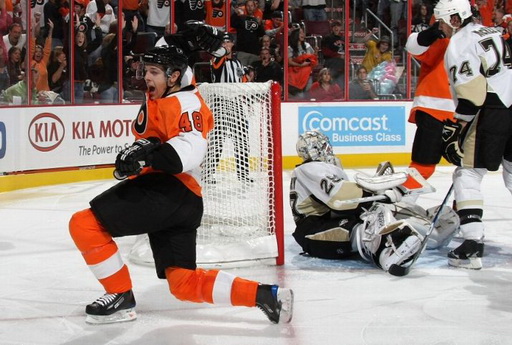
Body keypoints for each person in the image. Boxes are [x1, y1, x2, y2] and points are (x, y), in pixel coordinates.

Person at [68, 44, 293, 325]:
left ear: (173, 76)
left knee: (84, 224)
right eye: (145, 70)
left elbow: (185, 154)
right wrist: (138, 158)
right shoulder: (163, 97)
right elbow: (156, 142)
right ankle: (267, 296)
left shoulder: (186, 103)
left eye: (153, 72)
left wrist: (146, 153)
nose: (146, 77)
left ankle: (120, 296)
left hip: (170, 191)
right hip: (181, 200)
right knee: (183, 283)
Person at [289, 130, 459, 274]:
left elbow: (345, 204)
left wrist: (382, 194)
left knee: (378, 209)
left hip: (327, 223)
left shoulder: (322, 168)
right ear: (315, 149)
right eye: (324, 145)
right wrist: (381, 192)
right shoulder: (309, 168)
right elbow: (341, 198)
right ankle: (385, 252)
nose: (328, 148)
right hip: (312, 231)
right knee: (373, 217)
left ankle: (422, 226)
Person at [434, 0, 512, 269]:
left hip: (493, 109)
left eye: (442, 21)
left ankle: (471, 245)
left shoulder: (459, 43)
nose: (440, 27)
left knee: (467, 173)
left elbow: (472, 96)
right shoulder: (490, 30)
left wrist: (456, 128)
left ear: (455, 19)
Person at [402, 19, 455, 188]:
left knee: (470, 170)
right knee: (423, 166)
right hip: (434, 109)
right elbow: (413, 45)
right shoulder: (438, 40)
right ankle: (402, 203)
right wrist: (433, 32)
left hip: (466, 111)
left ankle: (466, 209)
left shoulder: (473, 41)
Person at [205, 32, 253, 184]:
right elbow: (217, 66)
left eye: (228, 42)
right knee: (217, 140)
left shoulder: (238, 63)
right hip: (220, 103)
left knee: (242, 140)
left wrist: (247, 78)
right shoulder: (217, 59)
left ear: (233, 44)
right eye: (223, 42)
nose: (225, 45)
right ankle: (208, 173)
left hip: (236, 103)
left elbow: (242, 82)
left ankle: (243, 174)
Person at [321, 20, 344, 87]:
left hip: (342, 61)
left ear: (341, 27)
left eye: (338, 26)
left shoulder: (344, 38)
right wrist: (338, 56)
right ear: (331, 28)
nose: (336, 28)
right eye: (334, 26)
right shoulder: (327, 38)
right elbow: (325, 51)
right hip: (331, 61)